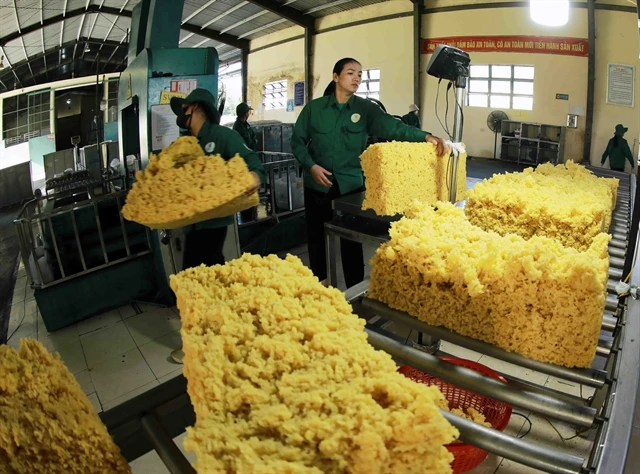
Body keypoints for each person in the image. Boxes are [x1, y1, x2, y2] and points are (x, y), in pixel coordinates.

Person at [292, 57, 447, 289]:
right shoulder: (315, 109)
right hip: (318, 184)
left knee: (350, 239)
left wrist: (425, 136)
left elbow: (393, 126)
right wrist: (311, 166)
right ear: (336, 77)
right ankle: (320, 284)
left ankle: (354, 289)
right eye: (350, 73)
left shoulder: (365, 109)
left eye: (360, 75)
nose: (357, 78)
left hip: (350, 186)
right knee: (316, 235)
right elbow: (297, 141)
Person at [168, 88, 266, 363]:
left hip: (213, 222)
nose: (181, 114)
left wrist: (255, 176)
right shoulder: (187, 143)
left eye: (184, 108)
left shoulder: (222, 136)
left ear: (196, 108)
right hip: (193, 223)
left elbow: (253, 162)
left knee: (194, 281)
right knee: (208, 279)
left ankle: (206, 342)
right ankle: (221, 334)